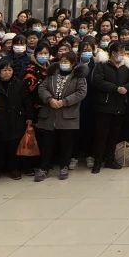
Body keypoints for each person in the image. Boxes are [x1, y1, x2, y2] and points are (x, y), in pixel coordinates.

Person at [34, 52, 87, 181]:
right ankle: (44, 168)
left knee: (66, 144)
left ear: (73, 63)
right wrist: (49, 99)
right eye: (62, 61)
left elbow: (81, 92)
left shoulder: (79, 76)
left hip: (68, 115)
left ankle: (64, 167)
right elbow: (42, 88)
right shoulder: (52, 74)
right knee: (47, 144)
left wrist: (64, 102)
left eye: (66, 61)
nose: (63, 63)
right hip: (49, 114)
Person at [89, 47, 129, 172]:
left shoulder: (125, 66)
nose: (123, 55)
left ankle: (110, 159)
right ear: (113, 53)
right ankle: (97, 161)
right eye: (121, 52)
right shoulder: (102, 65)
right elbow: (97, 81)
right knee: (101, 135)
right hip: (104, 105)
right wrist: (115, 88)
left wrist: (127, 87)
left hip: (120, 105)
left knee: (114, 135)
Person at [0, 60, 30, 182]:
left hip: (15, 118)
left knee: (13, 146)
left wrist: (29, 117)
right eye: (4, 70)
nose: (7, 73)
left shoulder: (19, 83)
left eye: (10, 70)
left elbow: (26, 101)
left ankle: (13, 169)